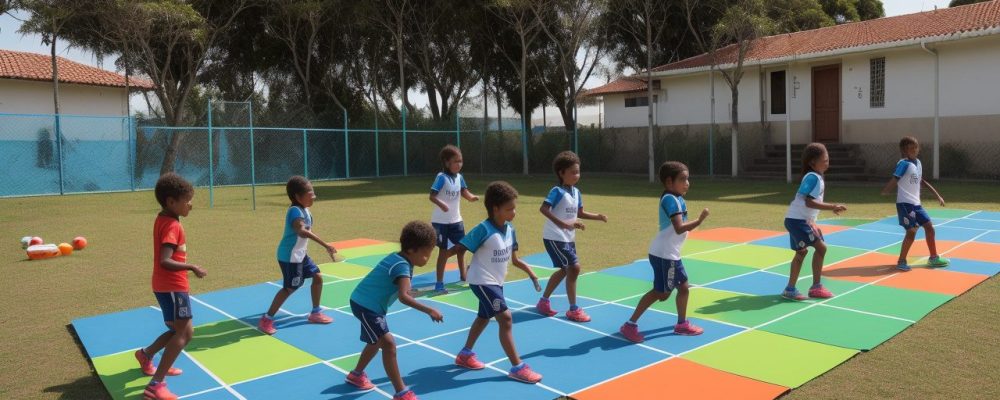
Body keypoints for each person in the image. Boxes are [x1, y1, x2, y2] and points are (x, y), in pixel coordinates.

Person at [448, 181, 544, 383]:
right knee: (506, 318)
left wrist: (532, 274)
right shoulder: (483, 229)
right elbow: (460, 248)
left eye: (514, 208)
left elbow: (515, 259)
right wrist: (459, 268)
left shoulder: (510, 230)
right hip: (481, 281)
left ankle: (465, 354)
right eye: (509, 209)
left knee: (483, 317)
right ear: (495, 209)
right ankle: (518, 367)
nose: (514, 212)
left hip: (496, 282)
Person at [344, 221, 443, 400]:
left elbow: (402, 290)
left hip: (368, 304)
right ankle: (401, 392)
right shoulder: (402, 266)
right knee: (388, 343)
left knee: (375, 342)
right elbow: (404, 297)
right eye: (426, 254)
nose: (427, 259)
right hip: (366, 306)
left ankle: (356, 375)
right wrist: (429, 310)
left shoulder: (400, 259)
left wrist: (412, 292)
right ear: (413, 250)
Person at [619, 162, 707, 343]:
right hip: (665, 255)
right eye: (682, 179)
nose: (687, 183)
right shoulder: (670, 199)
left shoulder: (678, 198)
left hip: (669, 253)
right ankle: (630, 324)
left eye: (688, 179)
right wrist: (699, 221)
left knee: (682, 287)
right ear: (669, 182)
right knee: (661, 294)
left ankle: (682, 324)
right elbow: (679, 228)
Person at [138, 173, 207, 400]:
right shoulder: (172, 227)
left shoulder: (164, 219)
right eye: (187, 200)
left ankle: (146, 355)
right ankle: (155, 386)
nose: (191, 205)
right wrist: (192, 267)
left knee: (175, 330)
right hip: (172, 286)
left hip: (162, 285)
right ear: (171, 202)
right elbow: (165, 261)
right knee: (185, 333)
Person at [258, 176, 338, 335]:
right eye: (310, 193)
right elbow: (302, 231)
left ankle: (315, 313)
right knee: (290, 287)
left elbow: (306, 231)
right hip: (290, 256)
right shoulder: (294, 211)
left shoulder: (305, 210)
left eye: (313, 192)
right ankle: (267, 319)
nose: (314, 196)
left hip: (300, 254)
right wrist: (325, 245)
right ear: (297, 197)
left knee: (317, 276)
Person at [535, 151, 607, 322]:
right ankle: (574, 309)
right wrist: (562, 224)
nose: (577, 175)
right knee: (574, 268)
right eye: (573, 172)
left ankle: (543, 302)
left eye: (578, 172)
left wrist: (596, 216)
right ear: (561, 173)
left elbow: (579, 213)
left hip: (568, 237)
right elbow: (543, 209)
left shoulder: (576, 192)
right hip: (554, 237)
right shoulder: (557, 191)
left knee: (564, 270)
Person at [781, 143, 847, 301]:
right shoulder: (813, 177)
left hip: (798, 220)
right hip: (797, 221)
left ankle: (790, 289)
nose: (827, 162)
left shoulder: (814, 177)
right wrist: (832, 206)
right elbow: (808, 202)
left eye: (827, 159)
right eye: (823, 160)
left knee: (801, 252)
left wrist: (811, 221)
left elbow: (805, 202)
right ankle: (816, 287)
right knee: (821, 248)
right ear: (812, 163)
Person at [881, 136, 949, 271]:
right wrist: (885, 191)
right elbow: (895, 178)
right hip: (905, 204)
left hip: (916, 205)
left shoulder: (918, 163)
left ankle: (933, 258)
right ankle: (901, 261)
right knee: (911, 232)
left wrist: (938, 196)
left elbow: (921, 181)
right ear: (904, 150)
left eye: (915, 147)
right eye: (910, 148)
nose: (913, 150)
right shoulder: (903, 164)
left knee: (929, 228)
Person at [429, 145, 478, 293]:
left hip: (456, 220)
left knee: (462, 248)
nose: (459, 164)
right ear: (446, 162)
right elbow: (432, 196)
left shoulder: (460, 178)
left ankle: (464, 275)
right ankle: (439, 283)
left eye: (461, 161)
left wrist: (470, 197)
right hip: (441, 222)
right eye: (456, 161)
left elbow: (464, 191)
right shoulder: (441, 178)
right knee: (443, 251)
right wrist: (441, 204)